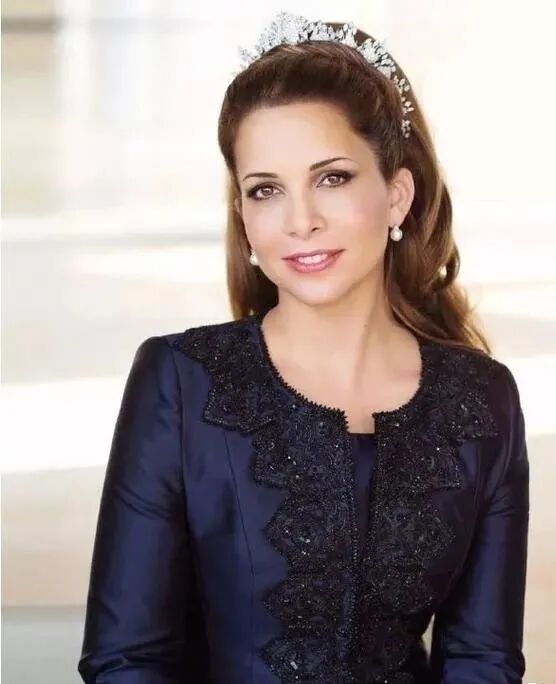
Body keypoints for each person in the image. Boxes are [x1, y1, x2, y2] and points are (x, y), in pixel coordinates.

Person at [78, 12, 530, 684]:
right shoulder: (181, 380)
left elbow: (482, 660)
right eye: (266, 190)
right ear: (243, 217)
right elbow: (127, 660)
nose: (300, 221)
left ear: (397, 196)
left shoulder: (482, 399)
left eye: (332, 178)